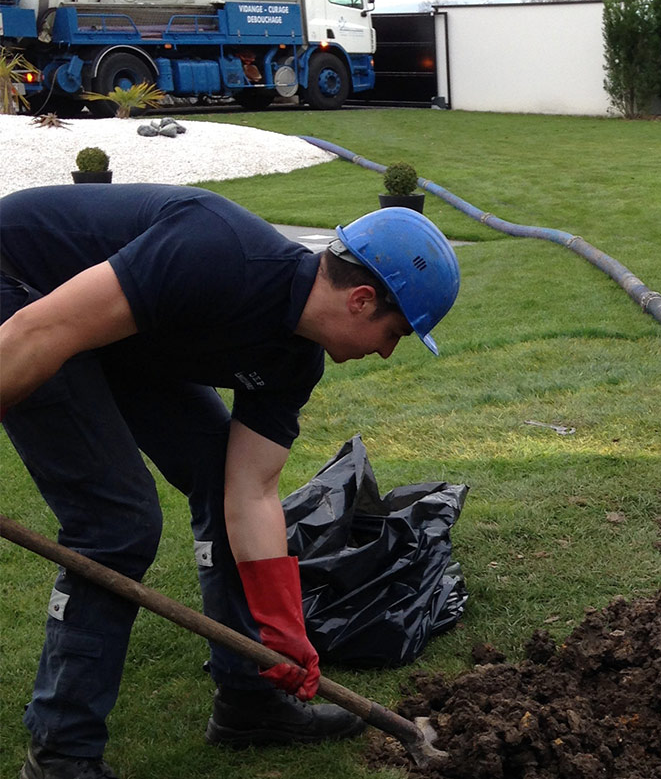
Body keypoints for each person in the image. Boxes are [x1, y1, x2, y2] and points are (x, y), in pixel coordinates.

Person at [0, 183, 460, 779]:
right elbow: (40, 333)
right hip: (23, 290)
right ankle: (62, 751)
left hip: (115, 332)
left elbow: (250, 490)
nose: (387, 353)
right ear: (361, 300)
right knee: (116, 524)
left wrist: (283, 628)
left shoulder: (295, 360)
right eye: (395, 334)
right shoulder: (216, 254)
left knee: (217, 476)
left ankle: (249, 700)